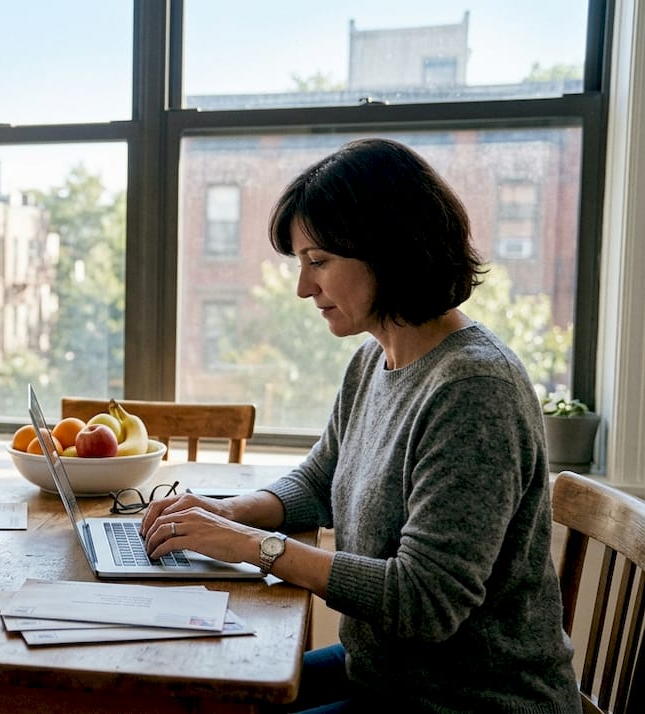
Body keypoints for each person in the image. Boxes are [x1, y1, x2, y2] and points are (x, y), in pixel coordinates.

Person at [141, 138, 580, 712]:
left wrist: (253, 546)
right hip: (385, 674)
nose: (304, 287)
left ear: (389, 250)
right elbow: (321, 479)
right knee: (206, 693)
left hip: (470, 700)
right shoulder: (375, 357)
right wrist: (228, 512)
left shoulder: (474, 389)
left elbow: (424, 602)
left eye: (318, 261)